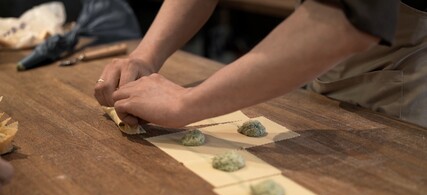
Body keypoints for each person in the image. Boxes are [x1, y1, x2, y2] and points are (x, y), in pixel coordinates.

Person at [94, 0, 425, 128]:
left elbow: (347, 21)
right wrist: (145, 56)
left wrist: (186, 102)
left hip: (400, 90)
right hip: (329, 81)